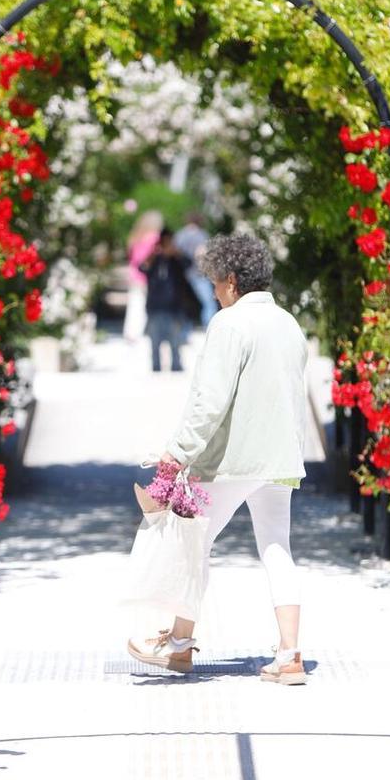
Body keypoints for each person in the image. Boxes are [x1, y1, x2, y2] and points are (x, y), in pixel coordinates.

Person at [127, 233, 310, 685]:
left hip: (233, 459)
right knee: (276, 547)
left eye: (214, 283)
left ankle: (177, 646)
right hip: (281, 457)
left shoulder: (230, 325)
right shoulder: (288, 322)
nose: (212, 292)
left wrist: (176, 454)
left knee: (194, 545)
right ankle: (290, 654)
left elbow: (209, 402)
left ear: (232, 280)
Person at [140, 228, 197, 372]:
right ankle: (156, 367)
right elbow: (142, 268)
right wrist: (153, 254)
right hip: (155, 305)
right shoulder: (154, 258)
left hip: (174, 306)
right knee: (155, 341)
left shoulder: (176, 259)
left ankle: (176, 366)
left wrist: (176, 253)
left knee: (176, 341)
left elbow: (189, 264)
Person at [122, 211, 163, 342]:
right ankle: (143, 332)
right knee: (147, 305)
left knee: (135, 304)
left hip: (134, 275)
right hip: (147, 276)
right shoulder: (155, 238)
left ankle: (131, 333)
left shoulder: (136, 236)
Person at [173, 212, 217, 326]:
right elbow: (202, 253)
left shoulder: (180, 235)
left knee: (184, 304)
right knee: (209, 303)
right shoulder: (201, 235)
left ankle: (183, 331)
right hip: (198, 274)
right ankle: (209, 327)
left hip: (181, 274)